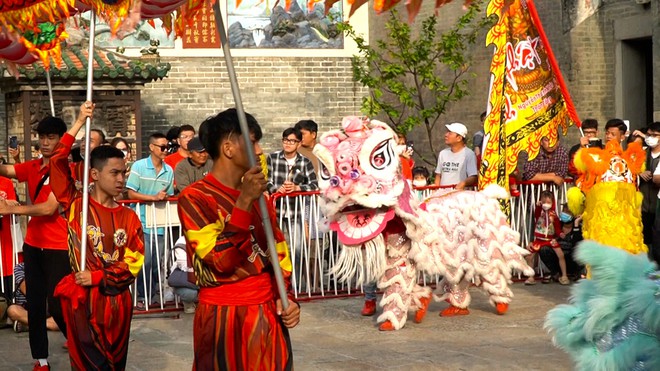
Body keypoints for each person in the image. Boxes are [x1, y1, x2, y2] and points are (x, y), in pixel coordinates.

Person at [176, 108, 300, 370]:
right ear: (229, 148)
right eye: (253, 141)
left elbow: (279, 254)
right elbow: (221, 260)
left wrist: (285, 296)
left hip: (266, 312)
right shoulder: (195, 198)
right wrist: (244, 201)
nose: (259, 150)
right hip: (224, 317)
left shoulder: (261, 199)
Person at [50, 101, 145, 371]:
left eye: (123, 173)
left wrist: (100, 276)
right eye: (114, 172)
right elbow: (57, 161)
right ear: (94, 174)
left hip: (117, 304)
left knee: (115, 365)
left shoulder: (130, 218)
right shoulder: (75, 205)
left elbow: (134, 262)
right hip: (84, 303)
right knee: (91, 365)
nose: (121, 179)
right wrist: (79, 121)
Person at [0, 115, 70, 371]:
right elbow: (7, 170)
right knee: (37, 303)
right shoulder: (33, 167)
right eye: (42, 137)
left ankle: (78, 339)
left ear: (62, 140)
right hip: (33, 245)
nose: (45, 142)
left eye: (51, 137)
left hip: (59, 247)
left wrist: (12, 210)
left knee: (57, 302)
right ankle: (40, 360)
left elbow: (48, 208)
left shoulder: (66, 170)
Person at [126, 133, 175, 309]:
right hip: (141, 221)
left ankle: (153, 294)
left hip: (160, 223)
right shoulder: (139, 166)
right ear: (152, 147)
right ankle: (141, 296)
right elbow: (130, 193)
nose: (165, 150)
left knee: (156, 262)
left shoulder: (169, 170)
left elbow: (168, 195)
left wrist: (162, 197)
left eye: (167, 147)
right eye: (162, 147)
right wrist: (152, 198)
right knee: (144, 261)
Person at [525, 190, 569, 285]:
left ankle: (564, 276)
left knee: (561, 255)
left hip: (550, 240)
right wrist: (538, 206)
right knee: (529, 257)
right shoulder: (539, 212)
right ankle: (531, 277)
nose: (546, 204)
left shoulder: (554, 215)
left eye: (548, 202)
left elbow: (557, 228)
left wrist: (560, 233)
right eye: (544, 202)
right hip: (539, 240)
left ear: (552, 203)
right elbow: (536, 213)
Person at [7, 262, 60, 333]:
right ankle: (44, 324)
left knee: (62, 320)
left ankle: (28, 325)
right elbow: (27, 291)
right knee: (12, 310)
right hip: (27, 310)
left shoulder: (52, 268)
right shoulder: (20, 267)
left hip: (47, 306)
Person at [538, 206, 584, 282]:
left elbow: (577, 244)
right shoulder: (556, 225)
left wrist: (576, 225)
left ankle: (576, 273)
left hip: (571, 260)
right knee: (544, 249)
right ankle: (555, 273)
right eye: (564, 211)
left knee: (578, 249)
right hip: (558, 258)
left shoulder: (579, 227)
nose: (565, 214)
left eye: (568, 212)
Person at [433, 123, 478, 190]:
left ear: (459, 138)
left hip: (459, 195)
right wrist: (436, 189)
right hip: (443, 195)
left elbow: (473, 176)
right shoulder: (443, 153)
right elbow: (438, 175)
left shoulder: (468, 154)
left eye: (450, 133)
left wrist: (464, 183)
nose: (446, 135)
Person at [167, 236, 198, 314]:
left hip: (203, 275)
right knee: (190, 294)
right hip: (188, 275)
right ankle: (188, 303)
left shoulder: (213, 236)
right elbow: (185, 266)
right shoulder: (182, 241)